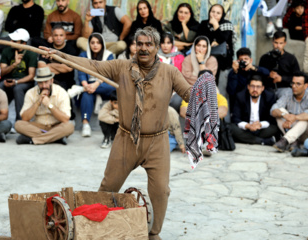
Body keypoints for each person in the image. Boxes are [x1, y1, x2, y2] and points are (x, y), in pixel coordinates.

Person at [40, 26, 197, 240]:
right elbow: (92, 65)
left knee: (161, 190)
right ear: (134, 46)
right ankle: (90, 225)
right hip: (126, 138)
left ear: (157, 48)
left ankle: (153, 233)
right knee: (107, 187)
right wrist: (61, 55)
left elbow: (189, 94)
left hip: (157, 141)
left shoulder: (169, 72)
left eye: (148, 44)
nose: (143, 48)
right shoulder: (121, 67)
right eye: (139, 44)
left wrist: (203, 98)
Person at [15, 67, 74, 145]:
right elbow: (25, 118)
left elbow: (65, 119)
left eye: (46, 82)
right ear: (37, 83)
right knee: (18, 124)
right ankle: (56, 138)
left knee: (69, 126)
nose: (44, 86)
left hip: (56, 126)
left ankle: (33, 140)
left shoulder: (61, 92)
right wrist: (38, 102)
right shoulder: (31, 93)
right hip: (38, 127)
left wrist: (49, 105)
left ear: (52, 81)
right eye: (40, 83)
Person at [78, 33, 115, 137]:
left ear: (102, 44)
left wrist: (95, 85)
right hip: (88, 87)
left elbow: (109, 74)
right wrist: (86, 85)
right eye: (92, 42)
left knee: (113, 87)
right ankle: (85, 124)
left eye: (98, 43)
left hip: (104, 86)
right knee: (86, 95)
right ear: (89, 44)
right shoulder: (84, 56)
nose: (95, 45)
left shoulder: (109, 55)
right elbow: (81, 74)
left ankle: (85, 89)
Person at [0, 28, 37, 122]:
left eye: (14, 41)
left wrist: (16, 82)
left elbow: (31, 76)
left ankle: (20, 121)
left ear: (23, 43)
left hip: (24, 81)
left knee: (18, 89)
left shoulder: (31, 53)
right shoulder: (7, 51)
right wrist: (14, 64)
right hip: (8, 79)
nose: (11, 42)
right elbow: (1, 72)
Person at [38, 25, 79, 120]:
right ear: (52, 36)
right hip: (48, 80)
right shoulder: (47, 49)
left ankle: (69, 118)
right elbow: (41, 67)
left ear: (65, 36)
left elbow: (68, 69)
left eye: (61, 35)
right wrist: (61, 67)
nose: (58, 38)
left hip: (66, 81)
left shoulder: (70, 50)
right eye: (56, 35)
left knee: (61, 89)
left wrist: (49, 66)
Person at [230, 75, 279, 146]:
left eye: (258, 87)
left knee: (275, 128)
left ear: (262, 88)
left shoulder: (269, 97)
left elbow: (271, 119)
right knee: (230, 127)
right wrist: (248, 126)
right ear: (248, 87)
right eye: (252, 86)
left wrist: (260, 125)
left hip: (261, 129)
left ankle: (245, 139)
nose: (255, 89)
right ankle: (263, 141)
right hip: (246, 129)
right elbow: (235, 118)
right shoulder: (240, 96)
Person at [197, 4, 235, 84]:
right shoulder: (204, 24)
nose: (214, 14)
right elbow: (201, 40)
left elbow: (222, 39)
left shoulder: (227, 25)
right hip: (206, 59)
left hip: (223, 62)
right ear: (209, 12)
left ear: (222, 15)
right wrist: (213, 41)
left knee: (220, 88)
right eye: (213, 11)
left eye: (218, 13)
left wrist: (216, 26)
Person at [271, 71, 308, 152]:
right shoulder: (288, 93)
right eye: (293, 83)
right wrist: (285, 115)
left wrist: (294, 117)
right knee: (280, 111)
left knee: (305, 119)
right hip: (290, 127)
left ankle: (285, 140)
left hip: (306, 134)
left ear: (306, 86)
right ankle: (294, 141)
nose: (294, 86)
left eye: (298, 84)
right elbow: (273, 109)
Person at [259, 31, 300, 98]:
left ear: (285, 43)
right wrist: (268, 75)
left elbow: (298, 78)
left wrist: (282, 78)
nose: (278, 46)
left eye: (281, 43)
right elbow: (259, 76)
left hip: (285, 89)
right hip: (268, 89)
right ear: (272, 42)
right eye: (276, 43)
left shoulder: (291, 58)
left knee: (287, 93)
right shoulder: (265, 58)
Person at [158, 32, 185, 112]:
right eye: (163, 43)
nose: (165, 46)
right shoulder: (154, 57)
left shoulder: (179, 57)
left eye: (168, 43)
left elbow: (181, 76)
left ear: (172, 44)